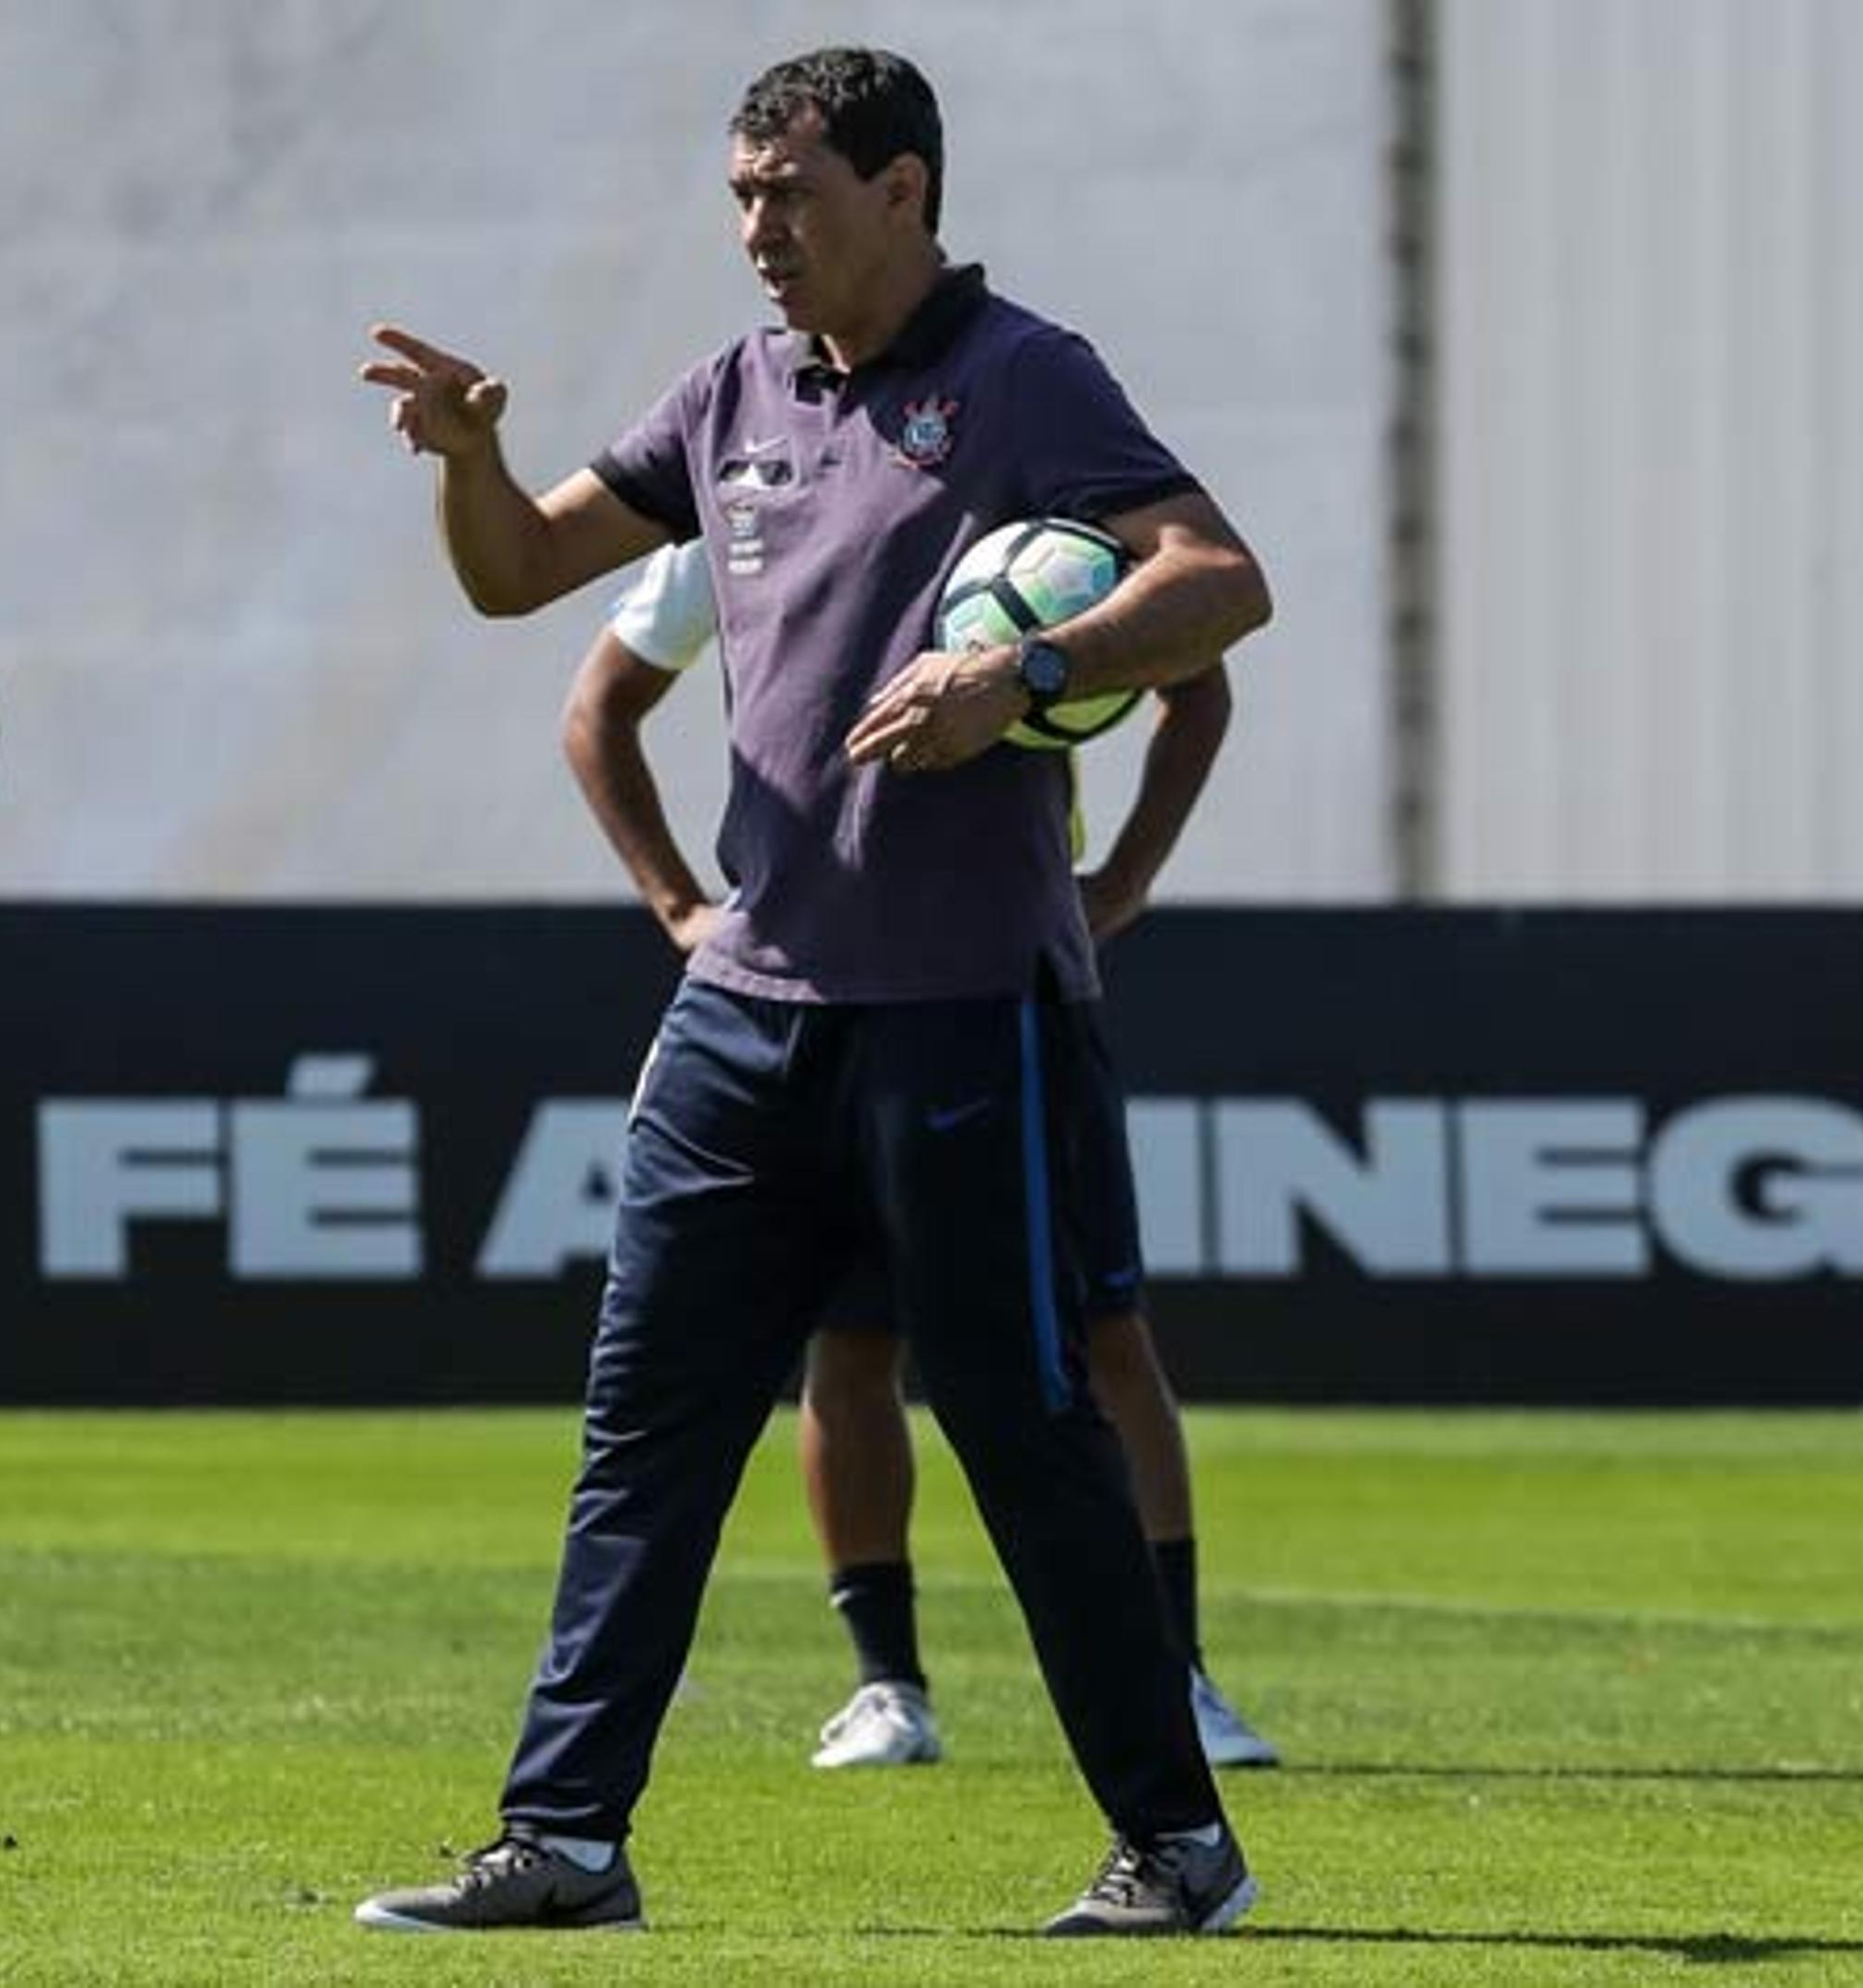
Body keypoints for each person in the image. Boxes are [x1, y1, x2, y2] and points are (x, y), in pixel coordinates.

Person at [351, 46, 1270, 1938]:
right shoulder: (731, 391)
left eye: (795, 193)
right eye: (744, 196)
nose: (760, 231)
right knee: (647, 1413)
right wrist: (469, 468)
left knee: (1018, 1421)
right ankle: (565, 1838)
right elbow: (519, 576)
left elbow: (1223, 582)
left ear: (905, 191)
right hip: (746, 1006)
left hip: (963, 1006)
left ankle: (1177, 1843)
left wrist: (1023, 675)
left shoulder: (1027, 379)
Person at [561, 539, 1280, 1773]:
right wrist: (682, 908)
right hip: (800, 1001)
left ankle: (1179, 1674)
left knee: (1101, 1336)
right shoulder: (733, 504)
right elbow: (597, 710)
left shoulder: (1044, 524)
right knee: (847, 1346)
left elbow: (1197, 679)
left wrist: (1127, 877)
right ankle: (887, 1682)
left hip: (999, 992)